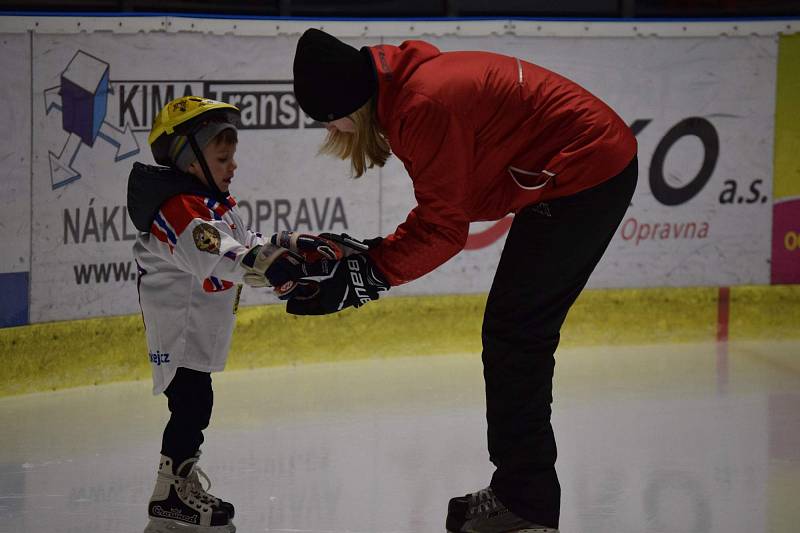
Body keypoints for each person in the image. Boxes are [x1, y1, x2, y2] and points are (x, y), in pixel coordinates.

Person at [285, 29, 639, 533]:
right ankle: (523, 492)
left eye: (329, 119)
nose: (333, 132)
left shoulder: (420, 105)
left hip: (586, 172)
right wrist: (371, 257)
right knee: (514, 333)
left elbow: (443, 231)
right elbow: (445, 210)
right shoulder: (409, 91)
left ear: (350, 103)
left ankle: (526, 503)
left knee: (517, 334)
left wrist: (365, 275)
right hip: (580, 169)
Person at [128, 96, 339, 533]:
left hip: (197, 328)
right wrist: (263, 264)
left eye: (232, 157)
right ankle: (168, 493)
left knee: (195, 404)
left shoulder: (209, 204)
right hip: (179, 330)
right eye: (223, 158)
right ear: (189, 163)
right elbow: (219, 252)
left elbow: (243, 241)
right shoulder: (180, 210)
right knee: (191, 405)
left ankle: (178, 485)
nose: (233, 166)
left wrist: (287, 242)